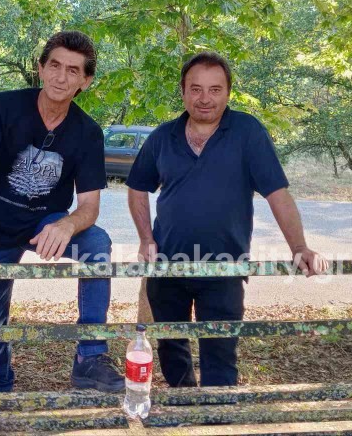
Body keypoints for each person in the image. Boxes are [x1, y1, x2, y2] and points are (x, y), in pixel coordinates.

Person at [126, 51, 329, 388]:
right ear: (183, 91)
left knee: (220, 354)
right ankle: (184, 407)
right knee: (171, 348)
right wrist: (146, 238)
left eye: (215, 89)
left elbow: (277, 194)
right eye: (196, 89)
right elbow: (137, 187)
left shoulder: (248, 132)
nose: (205, 98)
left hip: (225, 267)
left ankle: (218, 410)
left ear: (228, 92)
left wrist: (299, 247)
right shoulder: (163, 137)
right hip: (167, 267)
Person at [0, 31, 124, 393]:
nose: (61, 77)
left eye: (73, 71)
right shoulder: (5, 107)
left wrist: (67, 224)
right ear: (40, 68)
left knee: (97, 243)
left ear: (85, 81)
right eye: (54, 65)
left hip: (44, 225)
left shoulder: (88, 132)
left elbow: (89, 206)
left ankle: (90, 357)